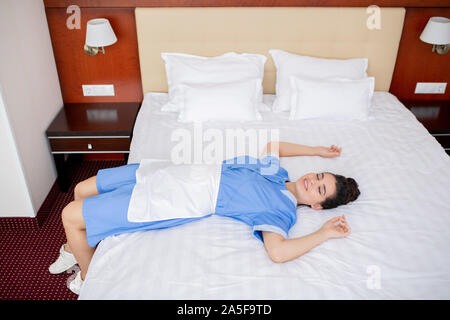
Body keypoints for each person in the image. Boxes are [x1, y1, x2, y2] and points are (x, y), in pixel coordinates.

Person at [49, 141, 360, 295]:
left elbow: (277, 252)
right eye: (318, 175)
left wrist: (323, 234)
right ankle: (71, 249)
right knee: (81, 189)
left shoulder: (281, 209)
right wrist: (318, 149)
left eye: (319, 189)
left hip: (178, 197)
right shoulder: (277, 173)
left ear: (317, 206)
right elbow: (273, 146)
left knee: (69, 214)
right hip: (170, 171)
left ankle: (88, 278)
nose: (312, 181)